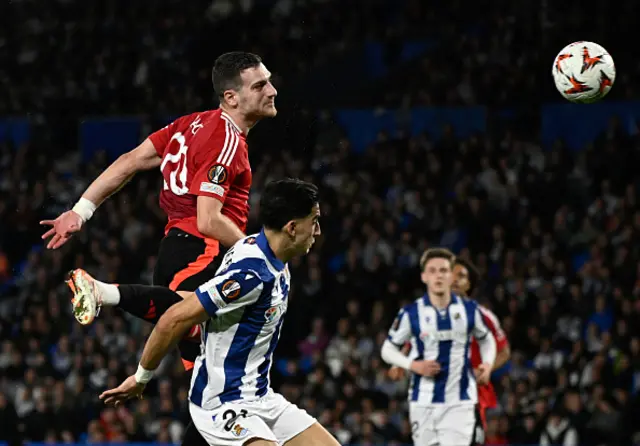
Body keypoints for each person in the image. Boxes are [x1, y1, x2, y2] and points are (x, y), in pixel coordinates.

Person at [44, 51, 277, 446]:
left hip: (174, 254)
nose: (272, 90)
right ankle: (104, 292)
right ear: (231, 97)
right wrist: (257, 255)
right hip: (202, 250)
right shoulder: (226, 139)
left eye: (269, 80)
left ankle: (110, 295)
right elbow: (208, 218)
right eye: (260, 85)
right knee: (199, 338)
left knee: (210, 388)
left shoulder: (188, 126)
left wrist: (80, 212)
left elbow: (130, 161)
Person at [96, 179, 339, 446]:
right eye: (314, 221)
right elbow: (175, 318)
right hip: (222, 404)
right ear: (292, 227)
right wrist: (141, 377)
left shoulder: (266, 254)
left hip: (260, 398)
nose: (318, 231)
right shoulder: (251, 275)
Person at [380, 248, 497, 446]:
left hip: (460, 402)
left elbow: (487, 339)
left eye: (443, 270)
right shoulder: (410, 313)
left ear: (451, 275)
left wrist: (487, 363)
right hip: (422, 401)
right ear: (424, 276)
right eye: (432, 271)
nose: (438, 276)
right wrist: (413, 365)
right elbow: (387, 350)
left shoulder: (469, 310)